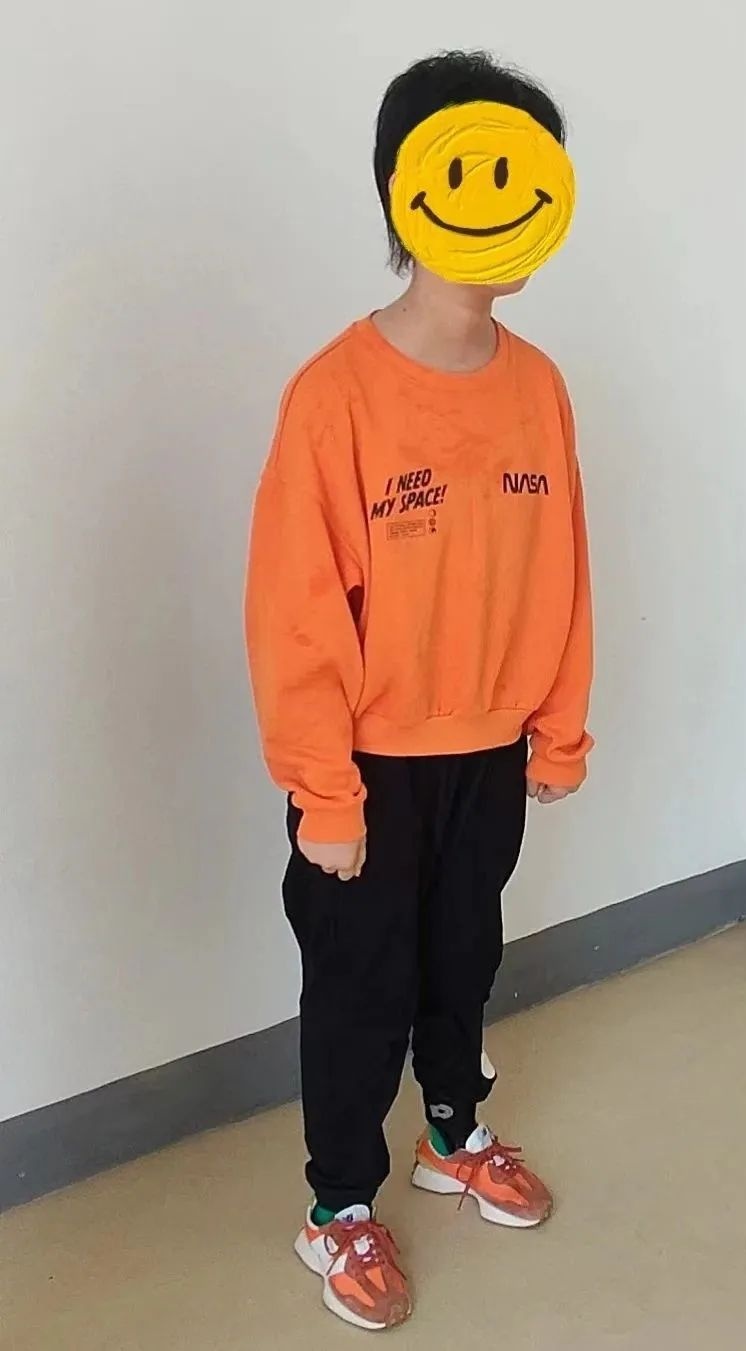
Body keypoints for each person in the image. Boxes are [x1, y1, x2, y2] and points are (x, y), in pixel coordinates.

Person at [245, 50, 593, 1332]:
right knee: (360, 987)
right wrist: (323, 793)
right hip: (367, 768)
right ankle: (339, 1204)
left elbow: (564, 569)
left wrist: (557, 729)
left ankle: (454, 1133)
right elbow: (293, 615)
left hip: (488, 754)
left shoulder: (538, 386)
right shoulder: (335, 396)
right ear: (409, 192)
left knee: (462, 955)